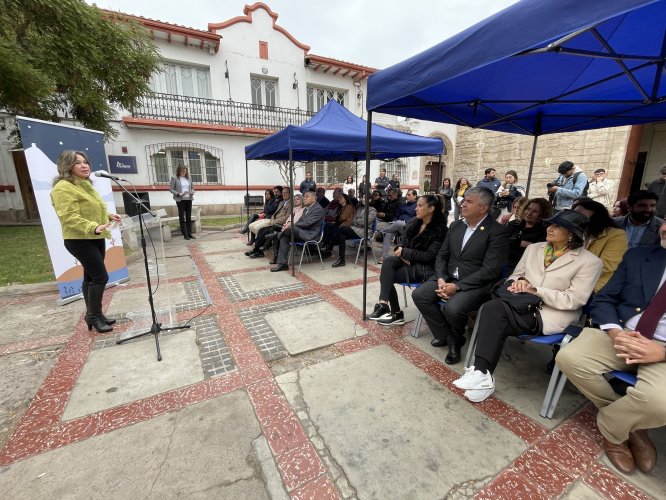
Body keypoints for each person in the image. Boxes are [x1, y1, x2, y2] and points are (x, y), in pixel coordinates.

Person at [455, 210, 602, 403]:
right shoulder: (535, 249)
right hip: (518, 303)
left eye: (557, 226)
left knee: (494, 312)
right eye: (550, 224)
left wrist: (536, 290)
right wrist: (520, 282)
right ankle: (483, 374)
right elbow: (516, 275)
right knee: (494, 311)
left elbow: (574, 300)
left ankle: (482, 373)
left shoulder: (590, 262)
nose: (549, 228)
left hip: (550, 314)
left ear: (572, 234)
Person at [556, 230, 666, 476]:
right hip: (624, 333)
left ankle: (613, 430)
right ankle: (633, 425)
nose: (665, 228)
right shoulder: (639, 256)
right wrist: (616, 333)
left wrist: (661, 353)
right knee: (569, 358)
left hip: (663, 350)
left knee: (661, 403)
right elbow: (605, 299)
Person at [412, 187, 509, 364]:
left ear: (483, 208)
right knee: (420, 295)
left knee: (453, 308)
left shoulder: (497, 232)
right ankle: (450, 338)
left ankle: (454, 344)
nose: (462, 204)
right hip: (447, 277)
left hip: (476, 284)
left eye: (469, 201)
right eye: (463, 200)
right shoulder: (456, 225)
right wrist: (441, 278)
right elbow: (442, 255)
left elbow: (490, 270)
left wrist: (457, 287)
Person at [50, 150, 122, 334]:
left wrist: (108, 216)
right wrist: (92, 227)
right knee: (100, 277)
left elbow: (91, 208)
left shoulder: (84, 185)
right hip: (79, 239)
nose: (84, 165)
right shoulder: (63, 187)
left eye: (85, 162)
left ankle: (94, 313)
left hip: (95, 237)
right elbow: (68, 216)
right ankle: (94, 316)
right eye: (78, 163)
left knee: (90, 277)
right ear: (67, 166)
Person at [368, 195, 448, 325]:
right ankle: (383, 304)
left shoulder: (440, 230)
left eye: (420, 206)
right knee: (388, 263)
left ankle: (396, 313)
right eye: (417, 205)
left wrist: (405, 252)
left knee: (388, 276)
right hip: (409, 261)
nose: (416, 208)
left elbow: (430, 255)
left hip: (425, 268)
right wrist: (402, 252)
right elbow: (404, 245)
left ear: (431, 209)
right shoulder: (414, 223)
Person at [573, 198, 628, 292]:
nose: (574, 217)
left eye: (579, 213)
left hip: (597, 289)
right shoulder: (574, 234)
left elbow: (606, 266)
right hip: (570, 284)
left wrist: (569, 269)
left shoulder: (617, 235)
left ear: (596, 216)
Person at [271, 190, 324, 272]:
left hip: (310, 235)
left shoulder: (318, 209)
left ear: (314, 198)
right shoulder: (307, 209)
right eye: (304, 197)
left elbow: (307, 223)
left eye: (307, 197)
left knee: (290, 229)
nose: (305, 199)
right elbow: (300, 221)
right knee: (285, 237)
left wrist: (291, 225)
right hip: (302, 232)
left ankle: (276, 235)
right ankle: (283, 264)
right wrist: (291, 225)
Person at [505, 198, 551, 274]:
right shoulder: (513, 224)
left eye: (535, 211)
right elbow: (501, 240)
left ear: (542, 214)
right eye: (528, 209)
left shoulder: (545, 231)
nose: (529, 213)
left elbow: (538, 250)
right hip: (503, 263)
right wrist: (519, 243)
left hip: (523, 269)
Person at [245, 187, 291, 259]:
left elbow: (286, 218)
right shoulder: (282, 202)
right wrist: (272, 220)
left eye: (286, 193)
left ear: (290, 194)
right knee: (261, 230)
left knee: (265, 231)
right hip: (274, 222)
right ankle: (257, 250)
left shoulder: (291, 203)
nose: (284, 194)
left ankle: (258, 250)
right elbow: (275, 213)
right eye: (283, 193)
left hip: (281, 225)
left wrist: (273, 221)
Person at [331, 198, 377, 268]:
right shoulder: (359, 209)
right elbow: (353, 220)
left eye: (365, 197)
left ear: (370, 199)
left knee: (342, 228)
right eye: (362, 198)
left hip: (365, 232)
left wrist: (357, 221)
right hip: (356, 229)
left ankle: (330, 244)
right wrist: (358, 222)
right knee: (342, 236)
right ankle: (341, 260)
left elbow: (366, 222)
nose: (362, 199)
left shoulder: (372, 210)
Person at [378, 189, 418, 261]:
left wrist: (404, 211)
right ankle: (384, 256)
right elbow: (396, 215)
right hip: (397, 226)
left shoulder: (417, 206)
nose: (407, 196)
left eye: (409, 195)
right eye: (406, 195)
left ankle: (382, 231)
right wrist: (394, 221)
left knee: (400, 222)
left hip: (409, 228)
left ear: (415, 196)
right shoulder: (403, 205)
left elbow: (413, 214)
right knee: (388, 234)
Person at [169, 165, 196, 240]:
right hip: (180, 200)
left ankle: (189, 233)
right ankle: (185, 234)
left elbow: (192, 188)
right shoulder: (174, 178)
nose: (183, 172)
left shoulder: (189, 178)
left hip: (189, 199)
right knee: (182, 217)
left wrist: (192, 192)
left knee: (188, 217)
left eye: (185, 171)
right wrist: (178, 193)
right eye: (182, 171)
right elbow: (171, 189)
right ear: (179, 171)